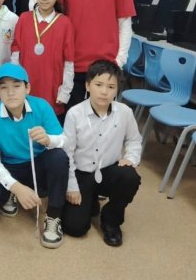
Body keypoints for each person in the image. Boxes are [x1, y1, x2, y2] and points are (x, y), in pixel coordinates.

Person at [0, 63, 69, 248]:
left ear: (27, 88)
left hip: (37, 162)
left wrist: (48, 140)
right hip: (10, 165)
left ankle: (54, 216)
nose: (11, 92)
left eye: (17, 86)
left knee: (59, 157)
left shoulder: (41, 106)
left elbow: (63, 140)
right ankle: (12, 193)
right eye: (4, 87)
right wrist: (16, 187)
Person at [61, 59, 142, 247]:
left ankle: (111, 221)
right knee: (75, 228)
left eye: (111, 87)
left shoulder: (125, 112)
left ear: (117, 90)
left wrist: (130, 158)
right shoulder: (74, 114)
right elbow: (67, 153)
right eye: (98, 85)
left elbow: (134, 140)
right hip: (81, 173)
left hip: (107, 169)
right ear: (88, 85)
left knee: (129, 177)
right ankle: (90, 200)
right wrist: (72, 187)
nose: (104, 91)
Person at [59, 0, 136, 108]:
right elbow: (58, 23)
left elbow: (125, 26)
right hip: (72, 66)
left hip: (106, 67)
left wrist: (119, 61)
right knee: (72, 117)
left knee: (103, 119)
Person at [11, 0, 74, 117]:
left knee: (48, 123)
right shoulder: (24, 18)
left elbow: (69, 61)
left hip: (52, 87)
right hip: (26, 85)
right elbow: (15, 54)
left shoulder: (65, 23)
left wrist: (65, 91)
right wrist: (16, 84)